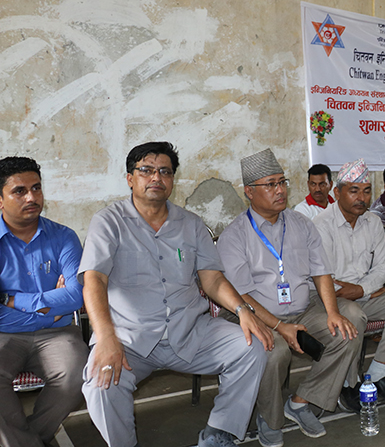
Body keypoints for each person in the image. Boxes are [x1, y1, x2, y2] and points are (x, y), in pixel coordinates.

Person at [79, 142, 273, 447]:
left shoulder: (191, 224)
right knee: (100, 383)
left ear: (172, 180)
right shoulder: (108, 221)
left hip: (190, 330)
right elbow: (94, 280)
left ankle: (219, 433)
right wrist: (105, 337)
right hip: (131, 338)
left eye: (165, 172)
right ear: (130, 178)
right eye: (146, 170)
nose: (156, 177)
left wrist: (242, 310)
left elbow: (212, 279)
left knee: (251, 346)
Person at [216, 149, 364, 444]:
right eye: (270, 185)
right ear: (249, 192)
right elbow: (241, 295)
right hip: (254, 314)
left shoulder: (301, 224)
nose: (280, 190)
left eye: (281, 182)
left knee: (349, 326)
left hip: (303, 307)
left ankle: (301, 401)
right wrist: (278, 326)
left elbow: (322, 272)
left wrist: (332, 313)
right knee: (275, 349)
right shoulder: (234, 235)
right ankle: (269, 419)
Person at [313, 158, 385, 408]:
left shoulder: (372, 222)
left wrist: (363, 289)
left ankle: (378, 374)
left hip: (364, 294)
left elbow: (382, 267)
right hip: (332, 301)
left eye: (366, 191)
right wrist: (357, 291)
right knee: (354, 315)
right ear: (337, 192)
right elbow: (321, 277)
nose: (361, 198)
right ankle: (349, 382)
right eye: (354, 191)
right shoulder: (321, 225)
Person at [0, 156, 88, 447]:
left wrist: (9, 299)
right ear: (0, 200)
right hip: (3, 334)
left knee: (76, 375)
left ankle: (26, 440)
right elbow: (64, 299)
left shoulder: (63, 237)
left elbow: (76, 296)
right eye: (19, 191)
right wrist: (51, 304)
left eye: (36, 188)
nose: (32, 197)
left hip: (57, 332)